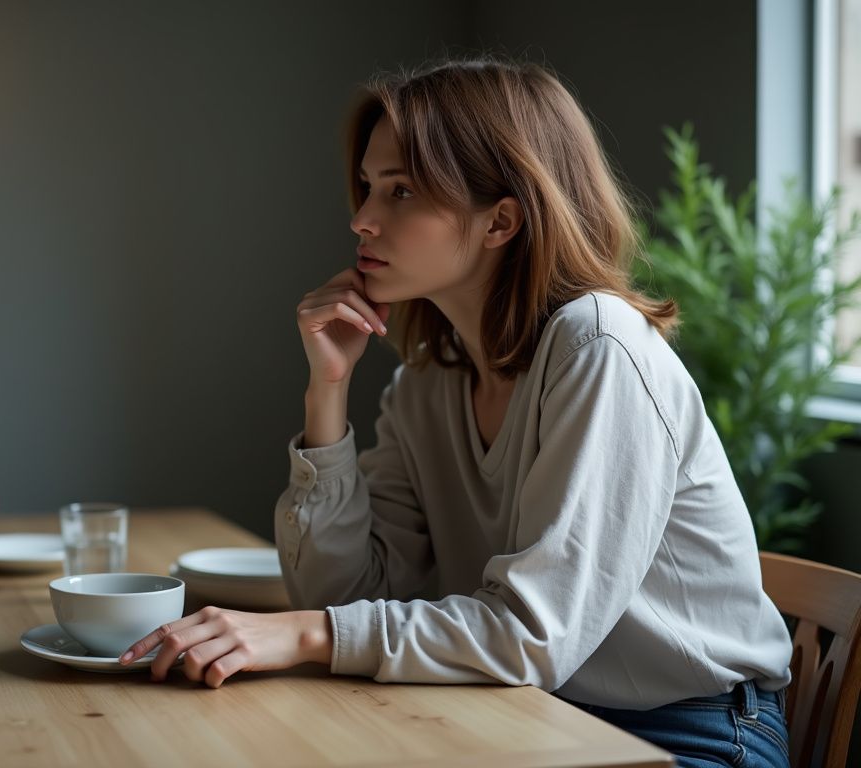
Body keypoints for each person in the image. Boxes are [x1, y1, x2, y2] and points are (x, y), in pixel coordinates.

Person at [117, 59, 793, 767]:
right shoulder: (428, 384)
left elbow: (533, 635)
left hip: (690, 736)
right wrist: (328, 391)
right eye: (370, 187)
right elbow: (346, 591)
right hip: (529, 717)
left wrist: (302, 633)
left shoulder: (600, 345)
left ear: (502, 218)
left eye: (402, 190)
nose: (363, 218)